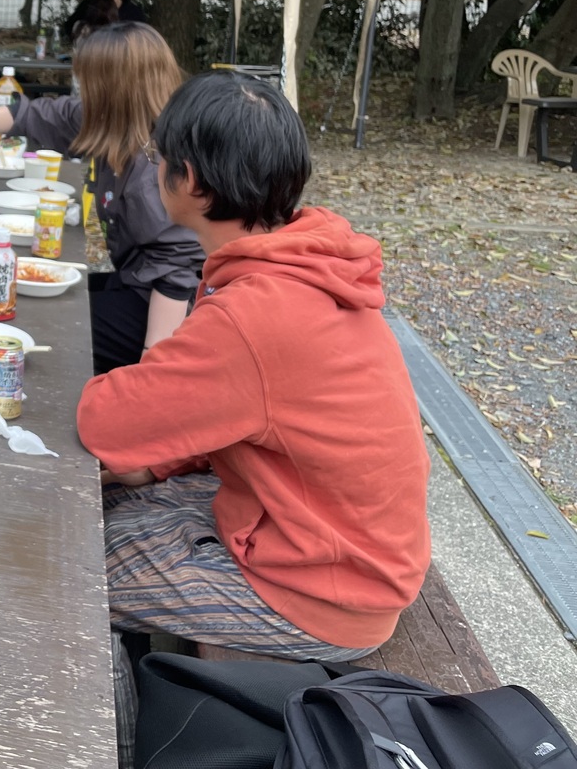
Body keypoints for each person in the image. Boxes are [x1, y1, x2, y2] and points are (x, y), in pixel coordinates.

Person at [76, 71, 429, 760]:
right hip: (329, 535)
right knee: (102, 515)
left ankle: (104, 749)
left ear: (195, 186)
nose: (154, 170)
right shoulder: (298, 260)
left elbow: (103, 421)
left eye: (161, 159)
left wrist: (144, 452)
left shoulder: (258, 310)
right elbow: (237, 415)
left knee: (72, 574)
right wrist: (161, 459)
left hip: (328, 589)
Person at [0, 23, 202, 374]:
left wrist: (154, 361)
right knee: (44, 300)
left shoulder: (153, 168)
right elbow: (28, 116)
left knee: (60, 334)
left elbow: (179, 272)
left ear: (114, 89)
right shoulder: (108, 120)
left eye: (88, 81)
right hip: (132, 279)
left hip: (170, 313)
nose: (81, 90)